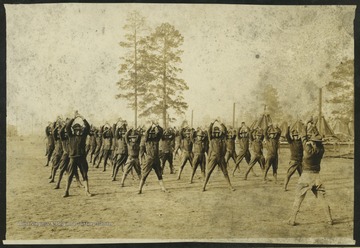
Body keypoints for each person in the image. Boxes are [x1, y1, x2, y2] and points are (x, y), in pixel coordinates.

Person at [288, 117, 333, 226]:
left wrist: (306, 124)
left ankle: (292, 220)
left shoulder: (308, 150)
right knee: (322, 198)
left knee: (299, 197)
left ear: (312, 142)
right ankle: (329, 219)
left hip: (306, 176)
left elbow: (303, 136)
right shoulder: (321, 150)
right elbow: (318, 138)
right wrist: (313, 126)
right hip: (317, 177)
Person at [63, 112, 92, 198]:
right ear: (74, 130)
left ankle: (87, 191)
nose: (78, 131)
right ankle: (66, 191)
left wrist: (82, 118)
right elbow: (68, 127)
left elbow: (88, 127)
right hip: (73, 158)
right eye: (76, 130)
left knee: (84, 175)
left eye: (79, 129)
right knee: (70, 175)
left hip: (82, 158)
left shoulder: (83, 136)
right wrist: (73, 118)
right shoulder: (71, 136)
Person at [202, 120, 235, 191]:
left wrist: (221, 123)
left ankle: (230, 186)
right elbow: (209, 131)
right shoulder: (211, 139)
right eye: (215, 133)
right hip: (213, 158)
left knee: (225, 172)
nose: (216, 134)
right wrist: (212, 123)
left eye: (217, 133)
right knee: (208, 172)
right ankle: (203, 186)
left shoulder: (222, 138)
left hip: (221, 158)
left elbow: (225, 130)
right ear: (213, 133)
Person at [138, 121, 167, 194]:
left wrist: (157, 126)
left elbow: (161, 132)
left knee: (159, 174)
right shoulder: (146, 140)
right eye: (151, 133)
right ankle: (140, 189)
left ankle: (163, 188)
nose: (152, 135)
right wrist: (151, 126)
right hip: (149, 159)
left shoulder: (156, 139)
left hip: (156, 159)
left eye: (153, 133)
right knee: (144, 174)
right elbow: (147, 134)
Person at [54, 118, 83, 189]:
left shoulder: (72, 137)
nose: (67, 133)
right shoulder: (63, 138)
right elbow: (60, 132)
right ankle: (58, 183)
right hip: (66, 155)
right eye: (65, 133)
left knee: (75, 170)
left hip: (72, 155)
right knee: (62, 170)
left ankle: (78, 182)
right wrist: (64, 125)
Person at [283, 125, 303, 191]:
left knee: (303, 175)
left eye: (297, 135)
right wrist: (288, 128)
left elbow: (304, 135)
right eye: (294, 136)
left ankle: (303, 187)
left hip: (300, 162)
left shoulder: (301, 142)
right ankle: (284, 187)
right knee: (288, 174)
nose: (296, 137)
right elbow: (286, 135)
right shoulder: (291, 142)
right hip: (293, 161)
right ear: (293, 136)